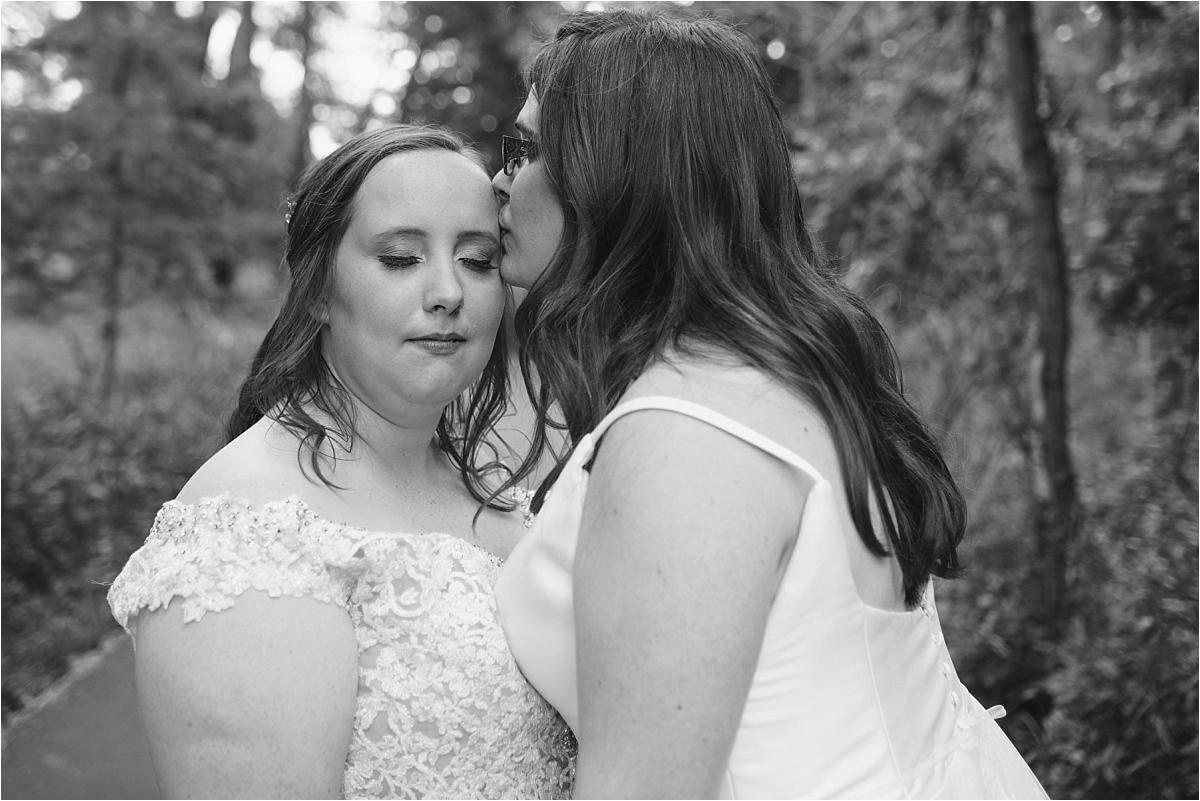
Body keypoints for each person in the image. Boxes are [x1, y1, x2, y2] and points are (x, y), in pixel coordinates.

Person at [491, 9, 1048, 799]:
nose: (499, 182)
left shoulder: (685, 441)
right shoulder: (797, 373)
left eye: (524, 152)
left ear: (611, 178)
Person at [107, 125, 574, 799]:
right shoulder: (249, 535)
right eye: (400, 258)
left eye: (477, 261)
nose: (448, 291)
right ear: (319, 289)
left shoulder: (499, 498)